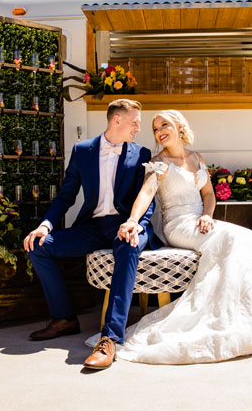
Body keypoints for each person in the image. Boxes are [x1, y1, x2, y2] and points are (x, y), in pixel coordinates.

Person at [112, 110, 252, 364]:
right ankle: (241, 319)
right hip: (178, 225)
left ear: (180, 127)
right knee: (233, 241)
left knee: (251, 240)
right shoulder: (159, 162)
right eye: (155, 128)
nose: (159, 131)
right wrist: (132, 220)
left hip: (202, 222)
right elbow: (146, 193)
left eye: (165, 124)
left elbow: (208, 195)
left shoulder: (196, 158)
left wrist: (207, 215)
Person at [24, 99, 161, 370]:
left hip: (128, 224)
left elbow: (148, 199)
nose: (138, 128)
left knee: (127, 245)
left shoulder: (142, 153)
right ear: (116, 120)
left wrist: (136, 224)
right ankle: (64, 318)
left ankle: (110, 338)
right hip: (94, 227)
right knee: (37, 246)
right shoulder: (83, 150)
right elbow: (66, 196)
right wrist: (45, 225)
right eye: (134, 122)